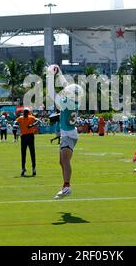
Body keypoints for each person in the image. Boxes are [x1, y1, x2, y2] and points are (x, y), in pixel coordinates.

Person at [47, 64, 84, 199]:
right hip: (69, 133)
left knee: (65, 160)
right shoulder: (75, 101)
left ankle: (67, 186)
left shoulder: (66, 102)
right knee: (62, 162)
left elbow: (51, 93)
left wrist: (50, 76)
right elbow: (66, 85)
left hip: (68, 134)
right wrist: (60, 72)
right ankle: (65, 186)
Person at [16, 108, 40, 176]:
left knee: (32, 152)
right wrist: (16, 127)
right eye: (25, 113)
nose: (25, 114)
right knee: (23, 153)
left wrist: (32, 125)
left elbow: (38, 121)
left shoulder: (31, 117)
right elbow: (16, 123)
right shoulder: (20, 118)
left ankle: (33, 168)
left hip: (30, 136)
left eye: (26, 113)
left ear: (28, 113)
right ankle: (23, 168)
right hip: (23, 136)